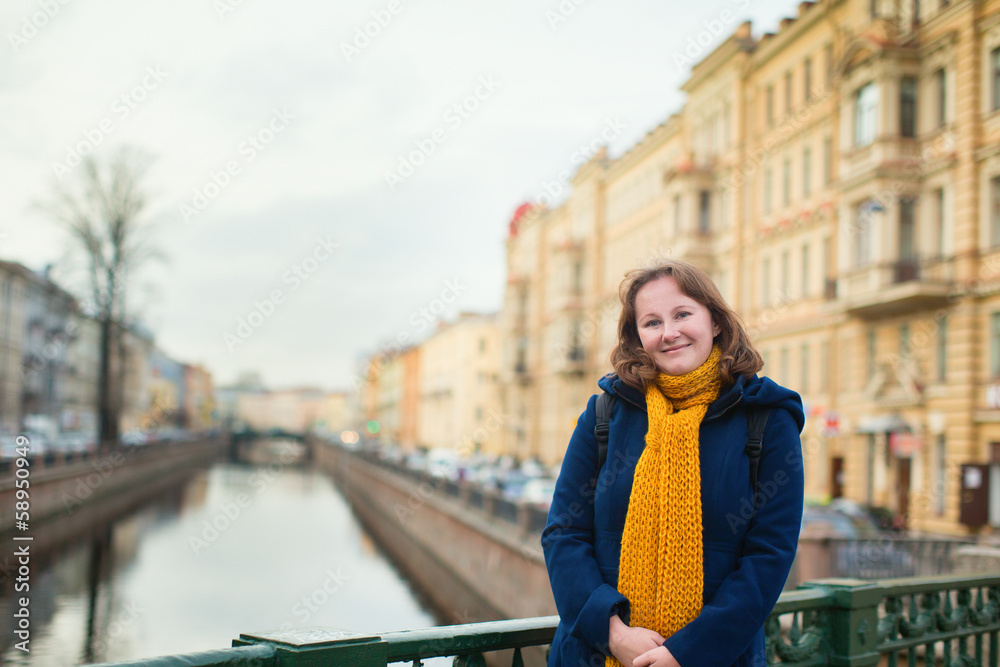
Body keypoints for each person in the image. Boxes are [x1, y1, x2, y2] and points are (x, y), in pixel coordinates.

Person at [542, 260, 804, 667]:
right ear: (637, 337)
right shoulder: (605, 414)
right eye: (651, 322)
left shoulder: (766, 417)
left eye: (683, 314)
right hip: (595, 655)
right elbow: (563, 533)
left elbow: (769, 555)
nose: (669, 333)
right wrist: (613, 634)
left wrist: (686, 654)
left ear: (715, 322)